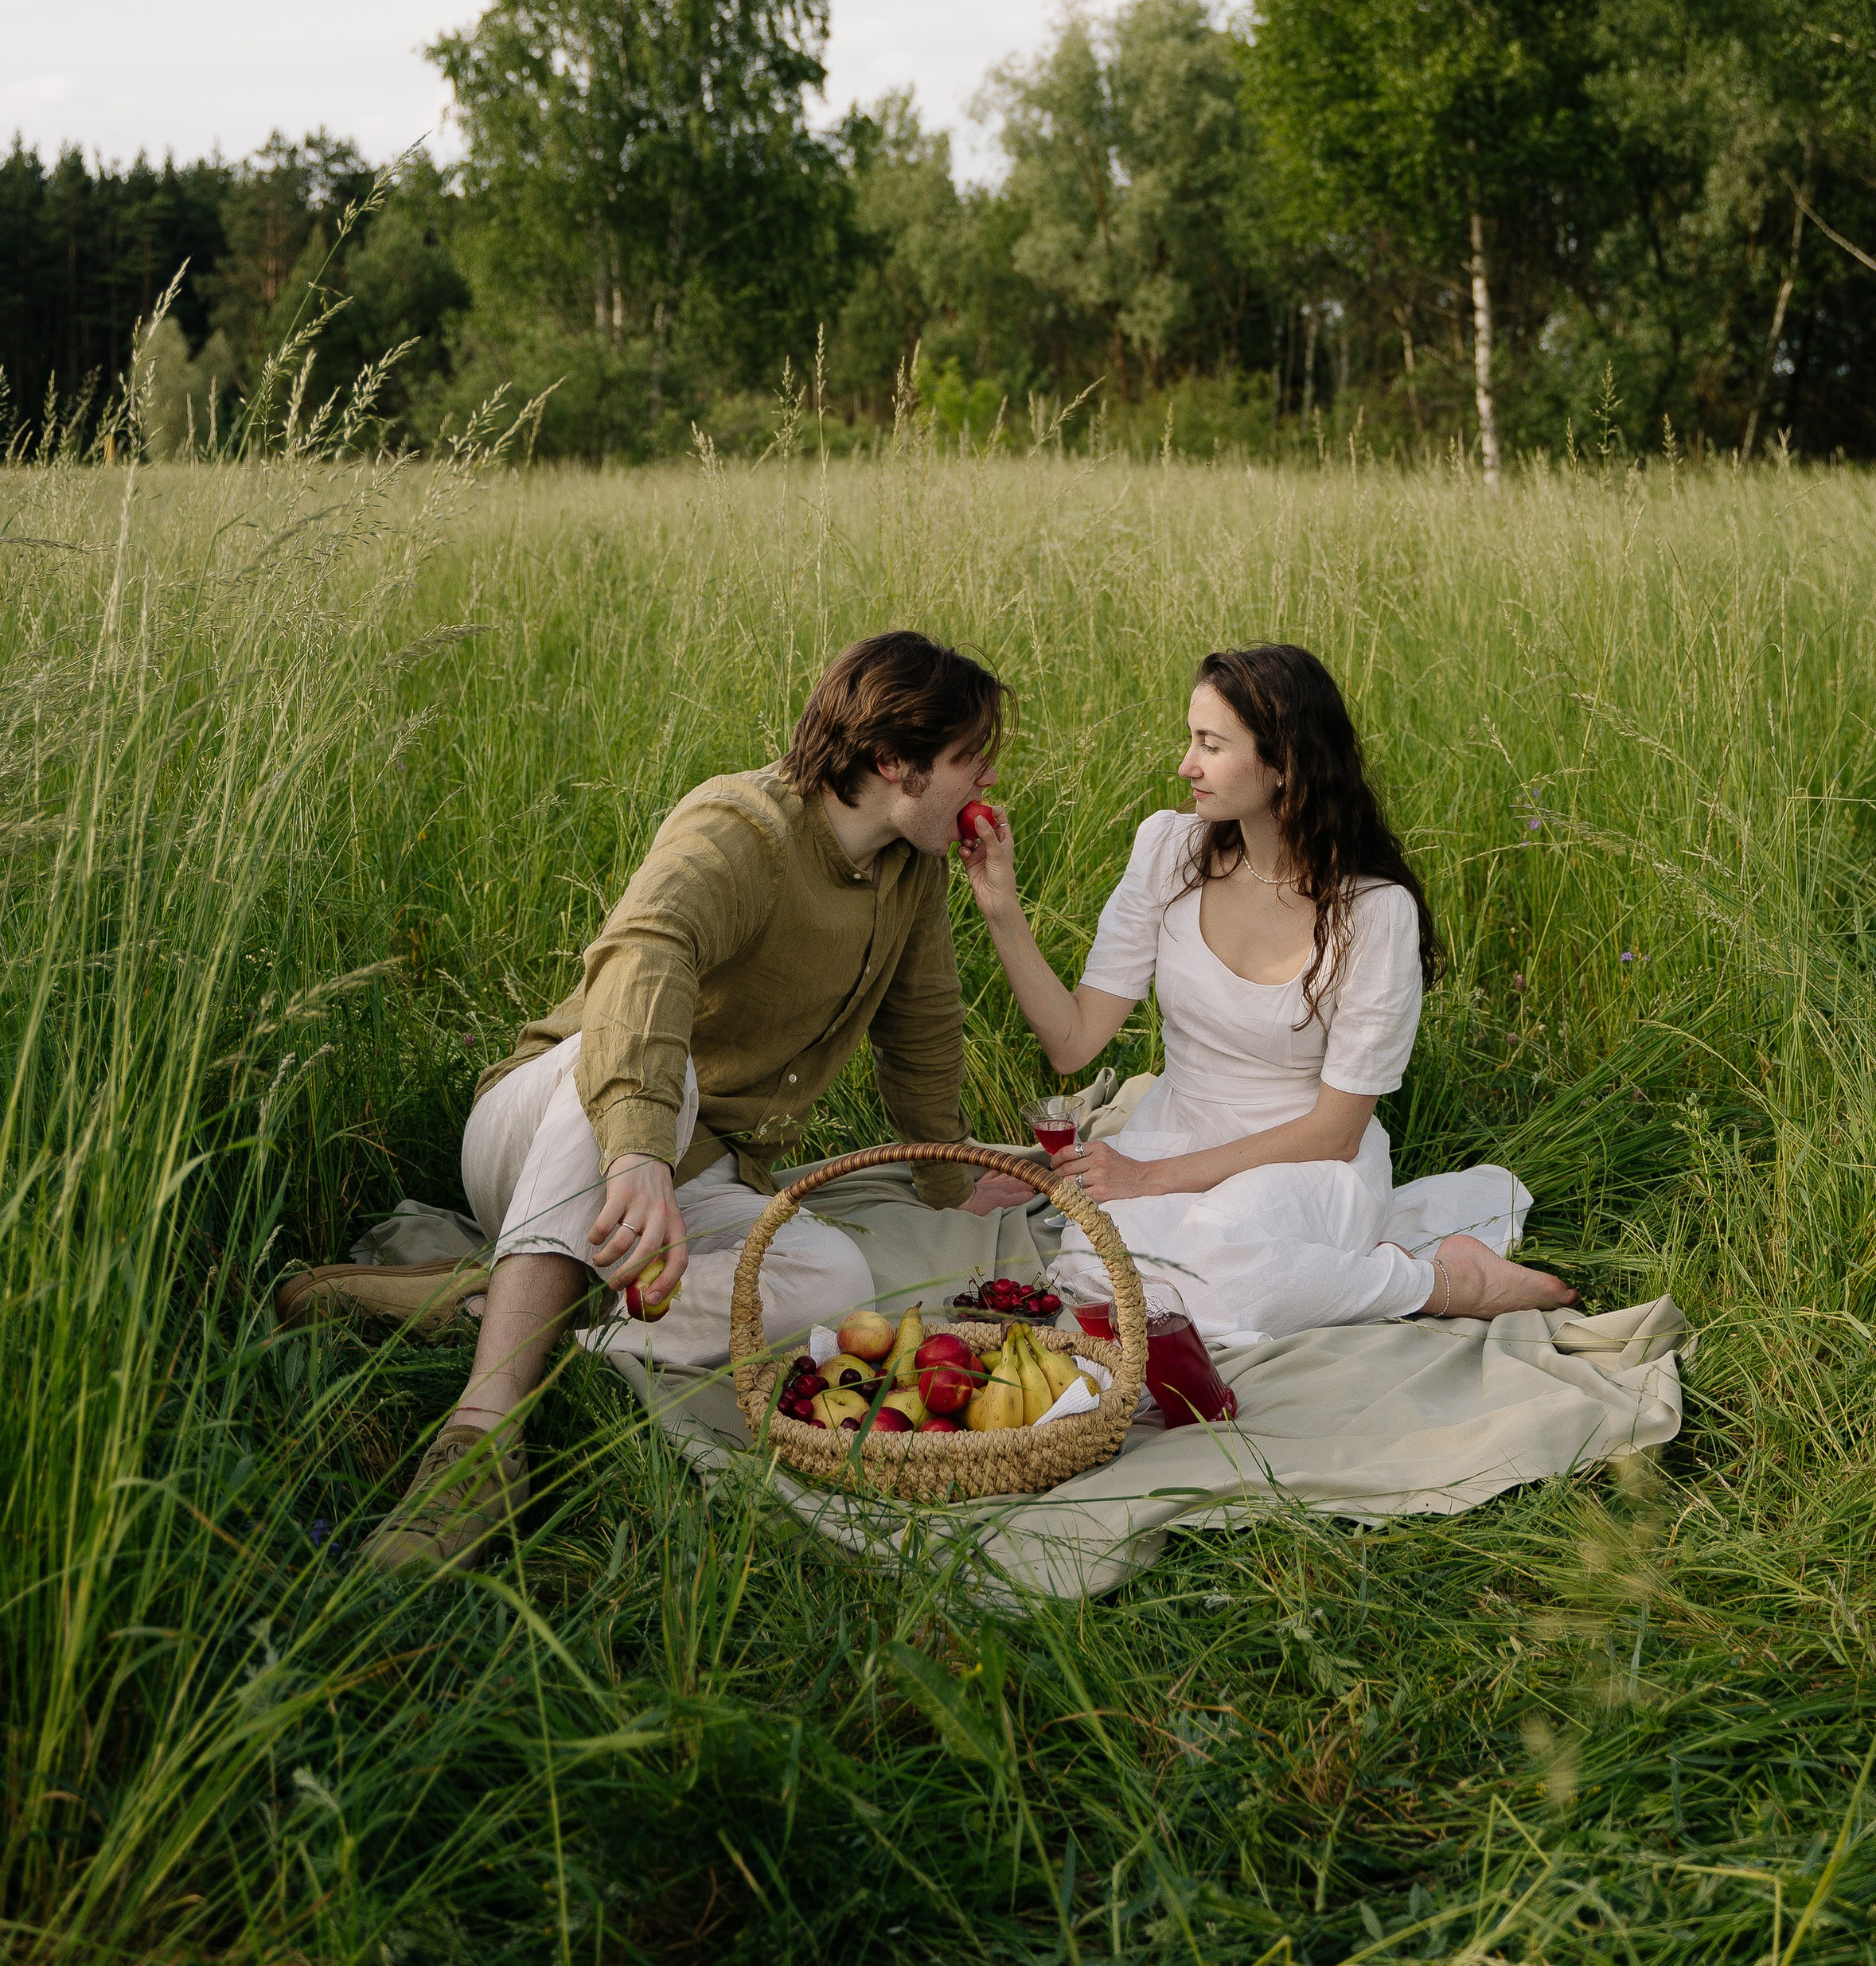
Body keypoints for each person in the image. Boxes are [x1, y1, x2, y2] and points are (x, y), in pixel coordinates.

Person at [314, 630, 1012, 1573]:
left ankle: (490, 1303)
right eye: (970, 758)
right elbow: (644, 953)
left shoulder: (910, 869)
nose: (985, 780)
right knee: (658, 1064)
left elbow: (920, 1023)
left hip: (694, 1173)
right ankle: (480, 1441)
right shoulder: (742, 823)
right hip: (555, 1125)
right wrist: (638, 1148)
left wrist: (952, 1180)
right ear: (894, 760)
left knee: (830, 1283)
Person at [961, 643, 1576, 1341]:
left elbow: (1336, 1132)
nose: (1186, 765)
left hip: (1305, 1157)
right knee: (1099, 1280)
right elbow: (1073, 1044)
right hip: (1178, 1126)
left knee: (1227, 1272)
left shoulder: (1375, 912)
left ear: (1285, 763)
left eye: (1211, 744)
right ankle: (1358, 1274)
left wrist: (1147, 1179)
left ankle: (1447, 1282)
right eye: (1191, 739)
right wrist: (1001, 908)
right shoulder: (1168, 849)